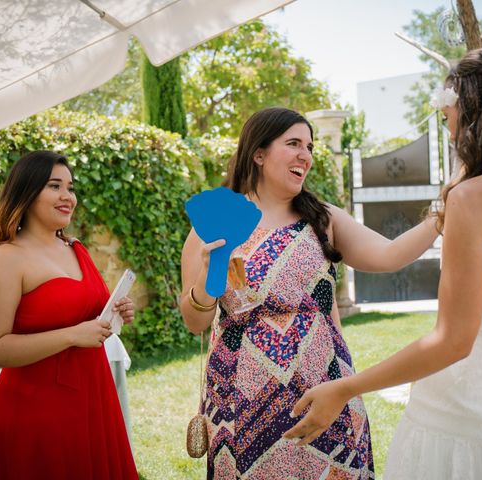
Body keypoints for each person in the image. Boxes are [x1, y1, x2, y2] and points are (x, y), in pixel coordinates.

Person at [284, 49, 482, 479]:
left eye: (449, 113)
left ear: (471, 108)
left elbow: (453, 341)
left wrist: (346, 388)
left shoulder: (476, 197)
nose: (447, 126)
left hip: (464, 423)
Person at [180, 107, 439, 479]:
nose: (306, 155)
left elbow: (390, 255)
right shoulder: (215, 220)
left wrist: (443, 214)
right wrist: (207, 279)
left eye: (311, 146)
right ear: (259, 153)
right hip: (241, 394)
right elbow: (195, 322)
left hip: (326, 384)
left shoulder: (323, 218)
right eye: (293, 144)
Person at [0, 151, 138, 479]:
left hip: (94, 398)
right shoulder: (7, 259)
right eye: (54, 186)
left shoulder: (76, 249)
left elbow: (90, 313)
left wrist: (118, 310)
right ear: (27, 191)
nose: (68, 197)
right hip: (38, 411)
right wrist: (71, 336)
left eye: (71, 188)